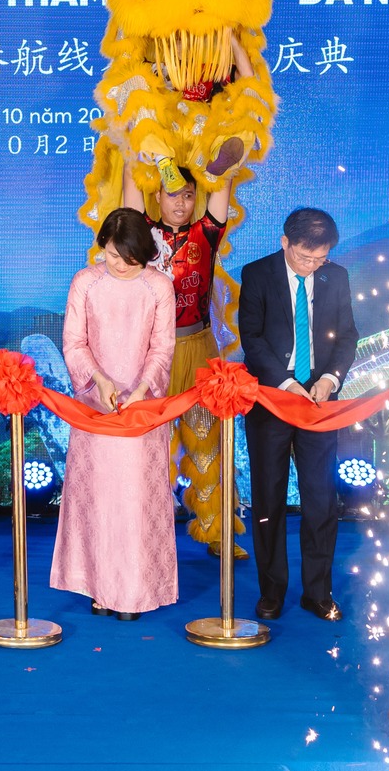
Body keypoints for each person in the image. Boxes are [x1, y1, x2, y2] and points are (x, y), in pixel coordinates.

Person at [51, 209, 177, 620]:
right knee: (100, 499)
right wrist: (99, 381)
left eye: (129, 258)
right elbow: (74, 343)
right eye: (112, 255)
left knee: (135, 500)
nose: (120, 265)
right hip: (96, 409)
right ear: (102, 247)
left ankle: (135, 591)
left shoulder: (158, 287)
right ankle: (99, 587)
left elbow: (162, 347)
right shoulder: (85, 282)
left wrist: (142, 389)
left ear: (145, 253)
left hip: (142, 410)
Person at [236, 207, 357, 622]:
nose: (313, 266)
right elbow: (252, 340)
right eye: (305, 258)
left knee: (320, 498)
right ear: (285, 242)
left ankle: (317, 592)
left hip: (319, 402)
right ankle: (271, 591)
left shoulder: (335, 276)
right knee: (268, 497)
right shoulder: (257, 274)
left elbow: (347, 336)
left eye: (320, 258)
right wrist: (286, 384)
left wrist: (331, 379)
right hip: (272, 399)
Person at [124, 163, 241, 558]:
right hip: (150, 353)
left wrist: (226, 154)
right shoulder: (141, 232)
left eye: (189, 195)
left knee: (206, 440)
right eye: (173, 194)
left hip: (198, 348)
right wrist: (135, 149)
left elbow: (223, 181)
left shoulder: (205, 232)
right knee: (146, 444)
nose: (181, 202)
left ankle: (216, 530)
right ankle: (143, 534)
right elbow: (131, 184)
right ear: (157, 196)